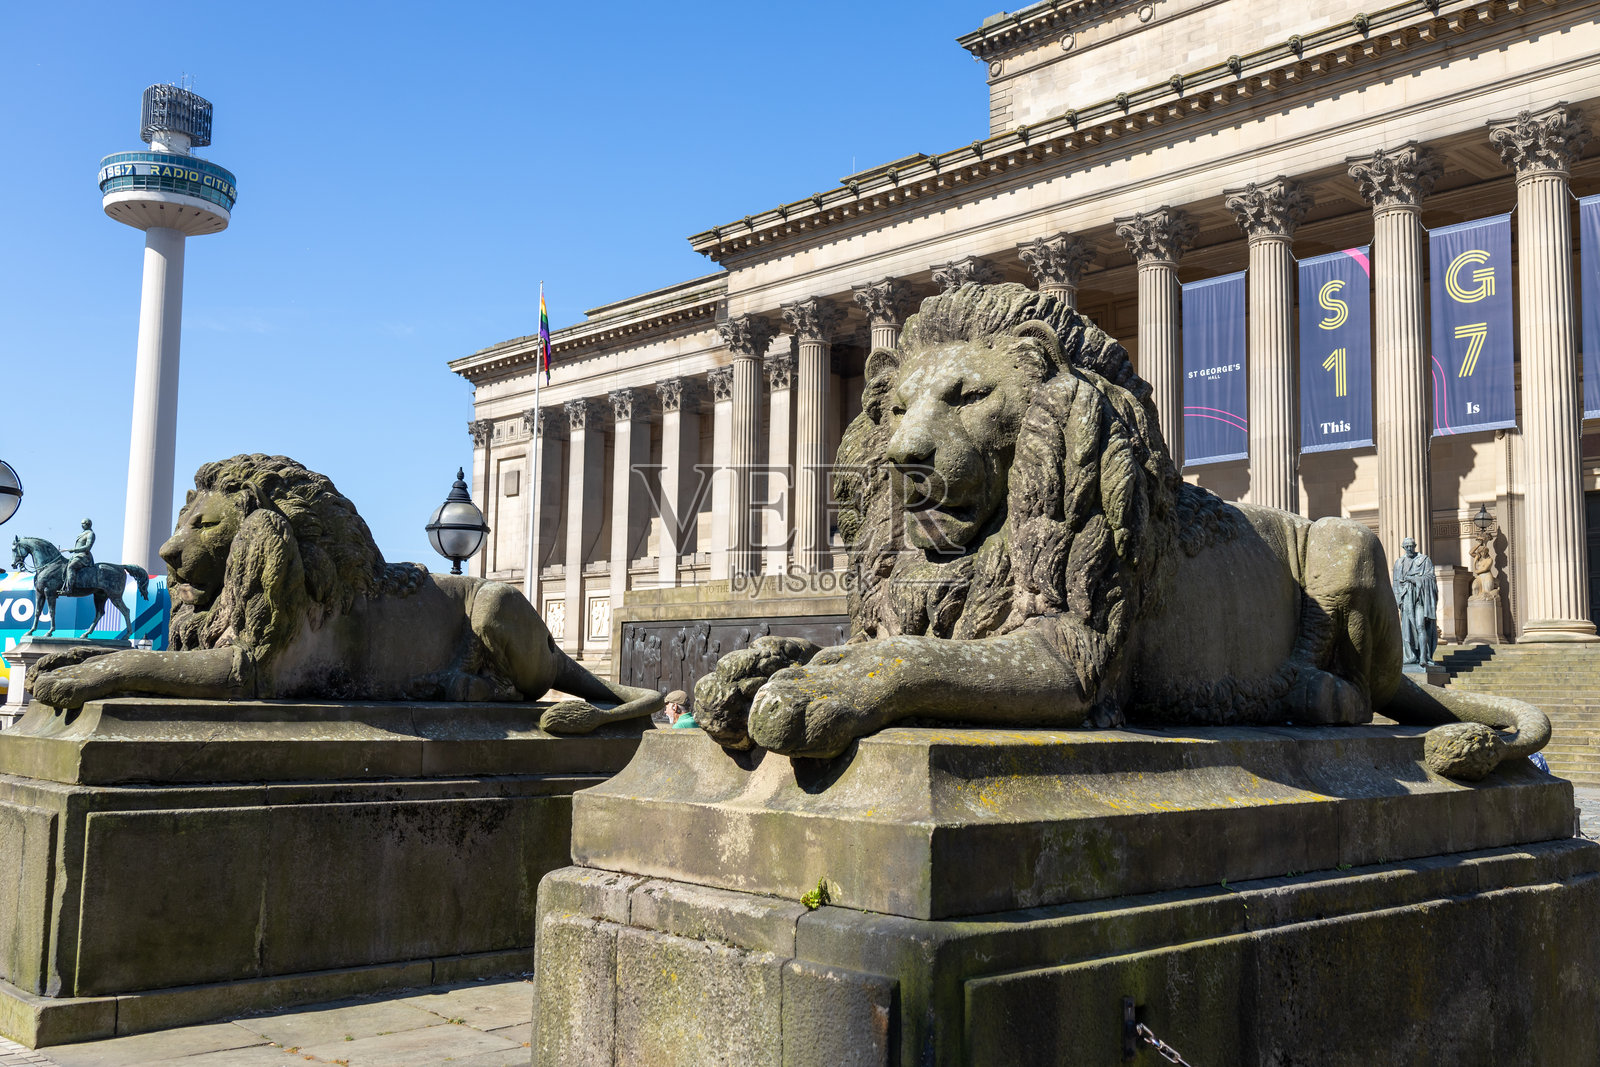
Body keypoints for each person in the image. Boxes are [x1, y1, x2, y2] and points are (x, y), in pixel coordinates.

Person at [1393, 536, 1439, 667]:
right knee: (1407, 629)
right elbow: (1395, 583)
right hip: (1406, 598)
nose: (1409, 548)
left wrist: (1414, 579)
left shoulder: (1424, 560)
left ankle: (1424, 657)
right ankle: (1411, 656)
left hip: (1420, 598)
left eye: (1411, 546)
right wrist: (1398, 600)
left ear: (1415, 546)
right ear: (1403, 547)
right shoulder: (1399, 563)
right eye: (1406, 546)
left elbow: (1431, 578)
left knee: (1420, 625)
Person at [63, 518, 95, 593]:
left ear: (88, 524)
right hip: (76, 555)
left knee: (71, 567)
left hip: (84, 556)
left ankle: (69, 589)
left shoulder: (90, 534)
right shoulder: (82, 533)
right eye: (81, 524)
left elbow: (88, 547)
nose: (82, 525)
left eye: (83, 524)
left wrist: (74, 550)